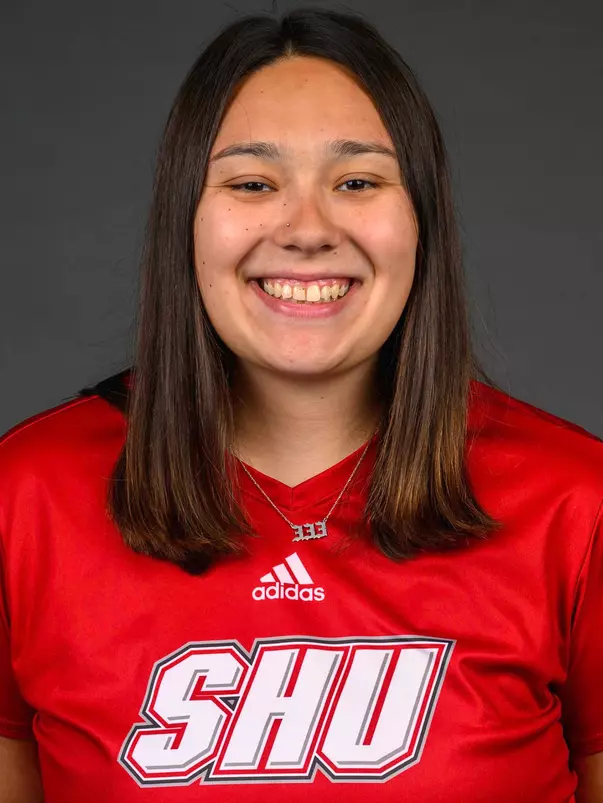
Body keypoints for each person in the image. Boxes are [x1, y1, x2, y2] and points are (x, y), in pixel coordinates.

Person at [1, 7, 601, 802]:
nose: (307, 228)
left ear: (420, 219)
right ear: (187, 216)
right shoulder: (25, 496)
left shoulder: (576, 501)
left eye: (357, 181)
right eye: (253, 183)